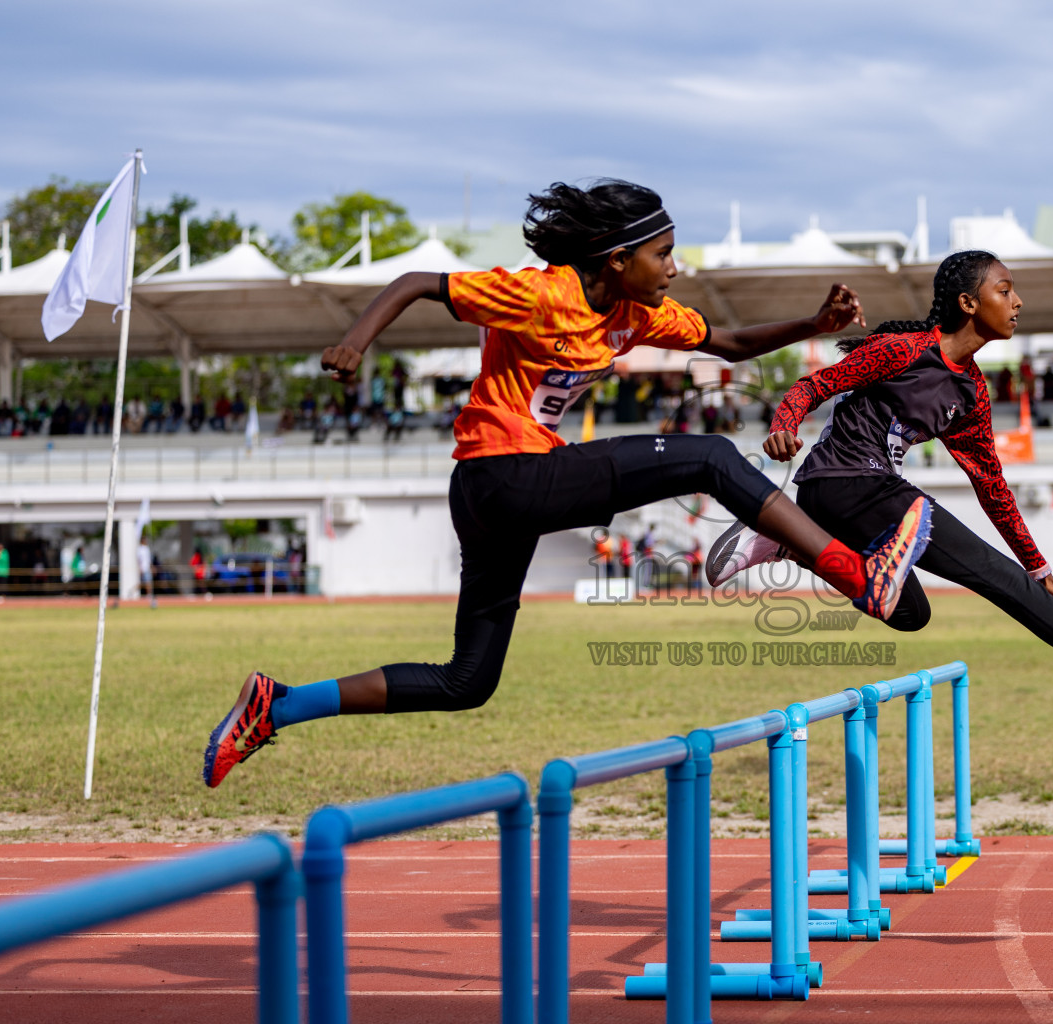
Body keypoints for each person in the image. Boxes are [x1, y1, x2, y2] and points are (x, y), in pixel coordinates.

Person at [202, 179, 932, 788]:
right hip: (504, 474)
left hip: (498, 495)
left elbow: (729, 341)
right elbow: (417, 281)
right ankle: (854, 574)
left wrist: (814, 320)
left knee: (468, 681)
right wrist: (355, 342)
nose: (675, 267)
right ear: (617, 259)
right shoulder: (539, 295)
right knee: (709, 455)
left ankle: (279, 705)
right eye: (664, 253)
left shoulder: (636, 312)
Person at [706, 250, 1053, 733]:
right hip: (850, 483)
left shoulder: (972, 392)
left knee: (910, 612)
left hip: (856, 500)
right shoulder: (902, 350)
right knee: (996, 577)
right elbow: (812, 385)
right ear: (968, 302)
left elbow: (992, 487)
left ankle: (793, 541)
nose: (1018, 301)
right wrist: (785, 424)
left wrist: (1041, 571)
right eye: (1005, 290)